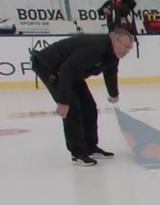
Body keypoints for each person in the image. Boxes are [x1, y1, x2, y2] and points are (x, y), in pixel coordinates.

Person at [29, 29, 134, 166]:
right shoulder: (96, 47)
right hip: (50, 67)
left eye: (129, 48)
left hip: (70, 71)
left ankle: (90, 147)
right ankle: (77, 153)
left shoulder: (112, 54)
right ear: (114, 40)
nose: (127, 51)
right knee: (72, 107)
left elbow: (110, 73)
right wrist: (63, 101)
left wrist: (113, 94)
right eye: (125, 46)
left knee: (89, 107)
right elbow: (66, 69)